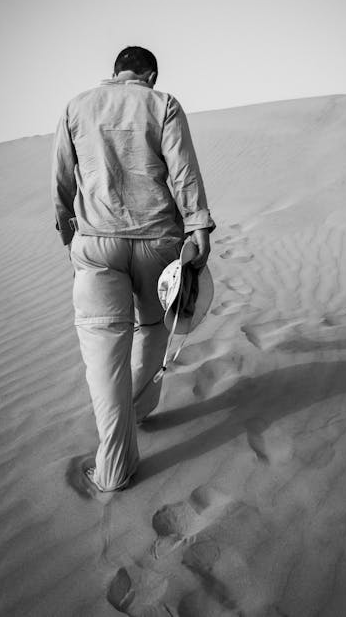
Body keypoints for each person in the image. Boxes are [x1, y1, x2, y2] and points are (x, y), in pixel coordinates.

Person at [51, 45, 215, 493]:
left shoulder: (76, 106)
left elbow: (63, 181)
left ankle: (115, 465)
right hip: (156, 240)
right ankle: (139, 408)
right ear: (150, 75)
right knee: (153, 329)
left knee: (103, 350)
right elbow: (183, 172)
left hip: (96, 243)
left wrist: (72, 236)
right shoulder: (163, 104)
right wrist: (198, 224)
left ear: (116, 72)